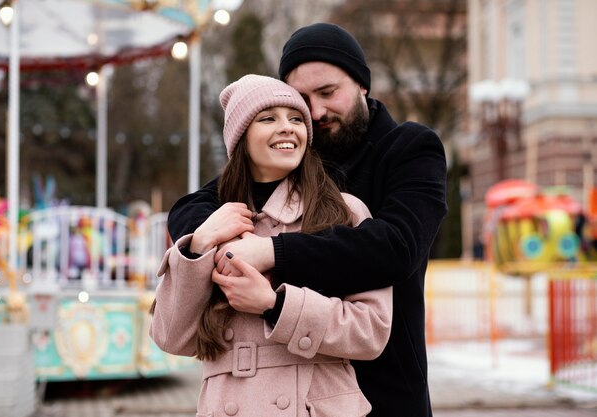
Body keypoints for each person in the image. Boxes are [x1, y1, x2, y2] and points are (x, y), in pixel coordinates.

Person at [166, 23, 448, 417]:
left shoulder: (409, 149)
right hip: (286, 383)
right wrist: (209, 243)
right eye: (302, 98)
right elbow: (193, 205)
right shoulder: (292, 160)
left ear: (362, 85)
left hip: (386, 384)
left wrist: (269, 253)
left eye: (328, 93)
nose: (316, 112)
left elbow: (395, 247)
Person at [150, 74, 393, 417]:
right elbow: (171, 338)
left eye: (296, 119)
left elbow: (371, 332)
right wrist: (199, 244)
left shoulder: (344, 211)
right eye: (268, 118)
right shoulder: (213, 221)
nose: (287, 128)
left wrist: (274, 304)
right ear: (240, 137)